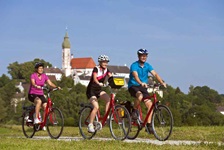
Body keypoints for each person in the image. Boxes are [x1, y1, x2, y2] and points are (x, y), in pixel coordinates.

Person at [128, 49, 166, 133]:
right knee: (140, 96)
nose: (143, 57)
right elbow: (135, 76)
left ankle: (148, 125)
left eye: (145, 56)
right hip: (133, 86)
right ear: (138, 56)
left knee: (150, 105)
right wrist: (141, 83)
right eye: (142, 56)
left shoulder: (148, 65)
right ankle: (134, 110)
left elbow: (155, 74)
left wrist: (161, 82)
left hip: (143, 87)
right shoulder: (134, 65)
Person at [86, 55, 112, 133]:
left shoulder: (107, 70)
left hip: (98, 90)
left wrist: (114, 83)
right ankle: (90, 125)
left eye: (106, 62)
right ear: (100, 62)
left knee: (108, 99)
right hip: (91, 90)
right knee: (96, 107)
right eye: (103, 62)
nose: (105, 63)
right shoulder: (96, 69)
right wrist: (99, 83)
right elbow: (94, 78)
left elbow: (111, 77)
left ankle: (106, 116)